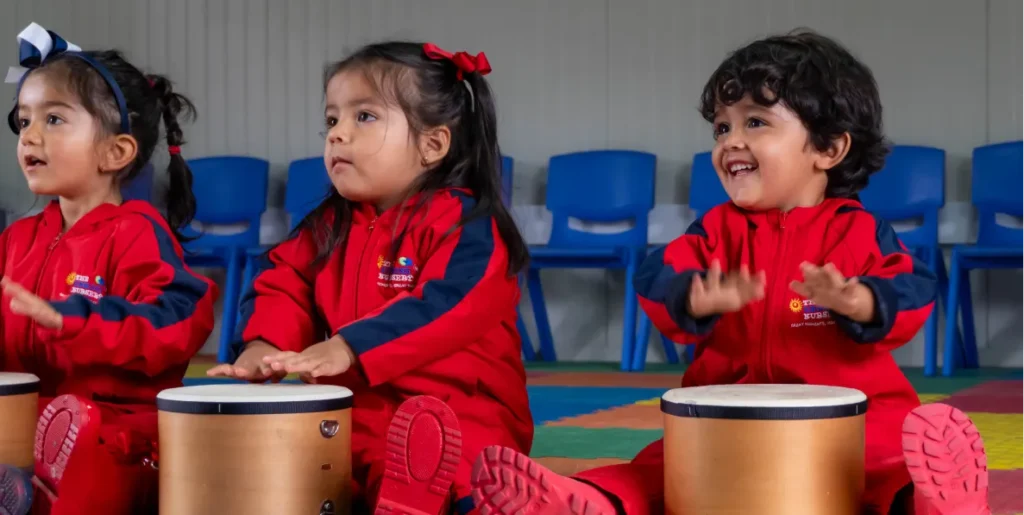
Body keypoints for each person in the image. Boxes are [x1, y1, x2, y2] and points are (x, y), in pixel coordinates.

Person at [469, 30, 990, 515]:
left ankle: (933, 500)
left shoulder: (857, 232)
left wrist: (864, 301)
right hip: (723, 419)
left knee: (884, 470)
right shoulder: (714, 231)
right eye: (722, 126)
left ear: (829, 149)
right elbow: (656, 275)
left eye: (755, 122)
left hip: (853, 420)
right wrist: (692, 298)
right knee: (659, 469)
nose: (729, 141)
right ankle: (588, 500)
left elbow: (915, 289)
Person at [208, 41, 533, 515]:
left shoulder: (464, 223)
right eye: (332, 120)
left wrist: (350, 346)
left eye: (364, 117)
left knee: (443, 479)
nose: (337, 135)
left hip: (458, 418)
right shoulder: (329, 226)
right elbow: (282, 281)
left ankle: (495, 499)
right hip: (353, 417)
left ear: (432, 144)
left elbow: (448, 303)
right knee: (261, 470)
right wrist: (263, 347)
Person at [0, 23, 217, 515]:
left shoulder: (137, 231)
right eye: (23, 120)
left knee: (83, 447)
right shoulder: (17, 239)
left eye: (53, 120)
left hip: (118, 432)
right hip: (24, 421)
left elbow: (177, 322)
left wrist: (73, 319)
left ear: (115, 151)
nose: (30, 135)